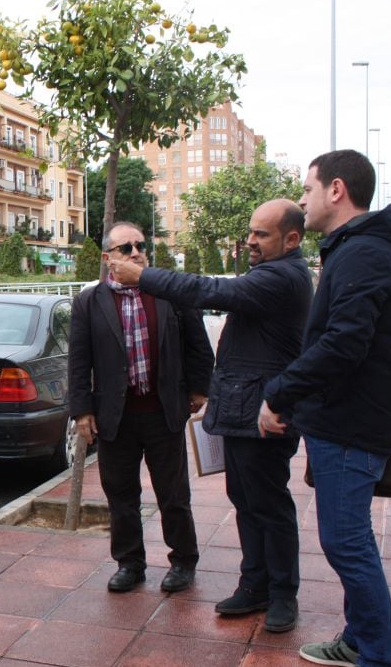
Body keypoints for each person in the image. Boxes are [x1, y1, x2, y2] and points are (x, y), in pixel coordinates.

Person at [108, 199, 312, 634]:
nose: (250, 241)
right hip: (241, 410)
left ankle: (282, 596)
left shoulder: (284, 276)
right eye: (251, 231)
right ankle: (254, 585)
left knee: (269, 506)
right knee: (246, 502)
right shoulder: (268, 272)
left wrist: (143, 276)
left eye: (261, 235)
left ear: (291, 239)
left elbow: (210, 291)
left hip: (264, 412)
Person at [258, 150, 391, 667]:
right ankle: (357, 639)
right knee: (344, 539)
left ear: (336, 190)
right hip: (340, 420)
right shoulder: (358, 249)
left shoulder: (366, 252)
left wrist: (280, 392)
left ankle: (381, 666)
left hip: (352, 424)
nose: (301, 199)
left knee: (347, 543)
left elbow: (344, 343)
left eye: (307, 188)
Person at [68, 221, 214, 594]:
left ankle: (183, 561)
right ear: (107, 258)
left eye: (140, 245)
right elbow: (79, 360)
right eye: (126, 248)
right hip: (114, 416)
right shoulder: (90, 301)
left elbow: (198, 343)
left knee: (173, 494)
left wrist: (199, 388)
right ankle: (129, 564)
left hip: (163, 410)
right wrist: (82, 411)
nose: (136, 252)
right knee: (121, 495)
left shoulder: (169, 294)